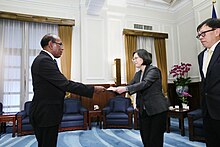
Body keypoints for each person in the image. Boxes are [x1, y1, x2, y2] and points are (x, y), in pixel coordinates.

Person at [29, 33, 105, 147]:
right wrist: (92, 89)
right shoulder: (44, 61)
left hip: (47, 111)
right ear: (50, 44)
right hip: (46, 113)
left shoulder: (46, 60)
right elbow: (65, 84)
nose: (62, 48)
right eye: (60, 44)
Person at [113, 49, 169, 147]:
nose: (133, 60)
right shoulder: (138, 74)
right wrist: (114, 89)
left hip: (157, 109)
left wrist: (125, 88)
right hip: (144, 110)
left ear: (143, 58)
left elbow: (144, 84)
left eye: (136, 58)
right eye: (133, 58)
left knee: (155, 139)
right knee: (145, 137)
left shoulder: (153, 70)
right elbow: (131, 85)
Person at [197, 18, 220, 146]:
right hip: (207, 110)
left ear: (216, 31)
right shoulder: (201, 56)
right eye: (199, 35)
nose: (201, 37)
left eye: (203, 34)